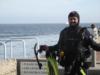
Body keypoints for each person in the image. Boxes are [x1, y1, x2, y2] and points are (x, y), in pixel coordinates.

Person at [39, 11, 100, 75]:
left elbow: (94, 45)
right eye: (71, 19)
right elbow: (58, 46)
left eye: (74, 19)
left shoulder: (84, 32)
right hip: (68, 65)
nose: (72, 20)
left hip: (81, 66)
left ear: (78, 19)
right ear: (68, 20)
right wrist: (48, 48)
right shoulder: (64, 32)